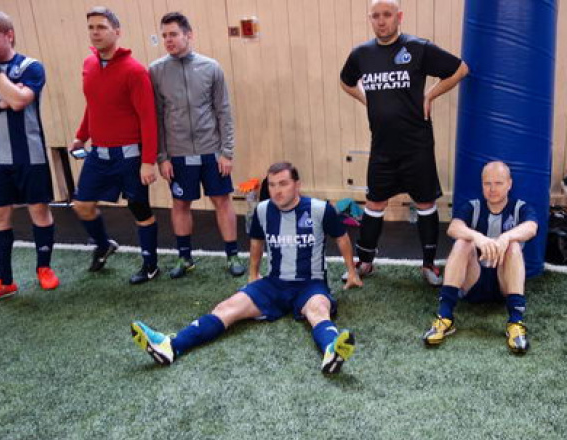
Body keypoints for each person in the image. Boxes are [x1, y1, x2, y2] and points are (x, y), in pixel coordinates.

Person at [130, 161, 363, 374]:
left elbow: (342, 238)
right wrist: (253, 274)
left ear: (297, 185)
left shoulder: (320, 209)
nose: (277, 190)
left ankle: (332, 350)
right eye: (272, 185)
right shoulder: (262, 210)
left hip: (310, 284)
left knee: (318, 310)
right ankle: (170, 346)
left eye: (283, 184)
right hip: (274, 283)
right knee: (226, 307)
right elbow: (256, 243)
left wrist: (352, 272)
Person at [340, 0, 469, 286]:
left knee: (425, 202)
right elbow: (346, 81)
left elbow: (460, 69)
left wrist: (430, 95)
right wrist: (366, 98)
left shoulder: (418, 48)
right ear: (370, 19)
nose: (381, 20)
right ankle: (365, 262)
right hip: (382, 146)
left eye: (387, 15)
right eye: (375, 16)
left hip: (416, 145)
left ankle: (429, 265)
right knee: (375, 202)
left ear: (399, 17)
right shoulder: (361, 54)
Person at [149, 12, 245, 279]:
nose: (168, 40)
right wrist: (162, 157)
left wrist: (226, 152)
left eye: (173, 34)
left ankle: (232, 255)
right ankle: (185, 258)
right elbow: (157, 116)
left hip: (212, 151)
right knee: (180, 203)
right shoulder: (156, 71)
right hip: (177, 154)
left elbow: (223, 112)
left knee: (222, 201)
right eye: (164, 35)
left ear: (188, 35)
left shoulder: (211, 67)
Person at [70, 6, 160, 284]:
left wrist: (148, 161)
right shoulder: (89, 64)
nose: (95, 32)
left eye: (102, 27)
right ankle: (103, 245)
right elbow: (93, 105)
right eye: (91, 27)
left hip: (130, 156)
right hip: (98, 154)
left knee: (139, 210)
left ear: (117, 31)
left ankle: (150, 265)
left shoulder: (135, 71)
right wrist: (81, 135)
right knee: (82, 205)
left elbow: (148, 118)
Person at [422, 161, 537, 354]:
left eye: (498, 183)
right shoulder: (473, 207)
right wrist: (477, 237)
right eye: (487, 183)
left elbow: (531, 228)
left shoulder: (520, 208)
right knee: (463, 242)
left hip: (504, 284)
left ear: (509, 184)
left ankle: (515, 322)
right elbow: (453, 227)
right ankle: (445, 317)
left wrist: (506, 237)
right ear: (481, 184)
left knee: (513, 246)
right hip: (472, 282)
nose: (492, 189)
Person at [0, 10, 59, 301]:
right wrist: (3, 101)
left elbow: (19, 101)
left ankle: (44, 268)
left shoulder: (30, 66)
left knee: (39, 210)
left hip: (31, 156)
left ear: (9, 35)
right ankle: (4, 280)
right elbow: (11, 99)